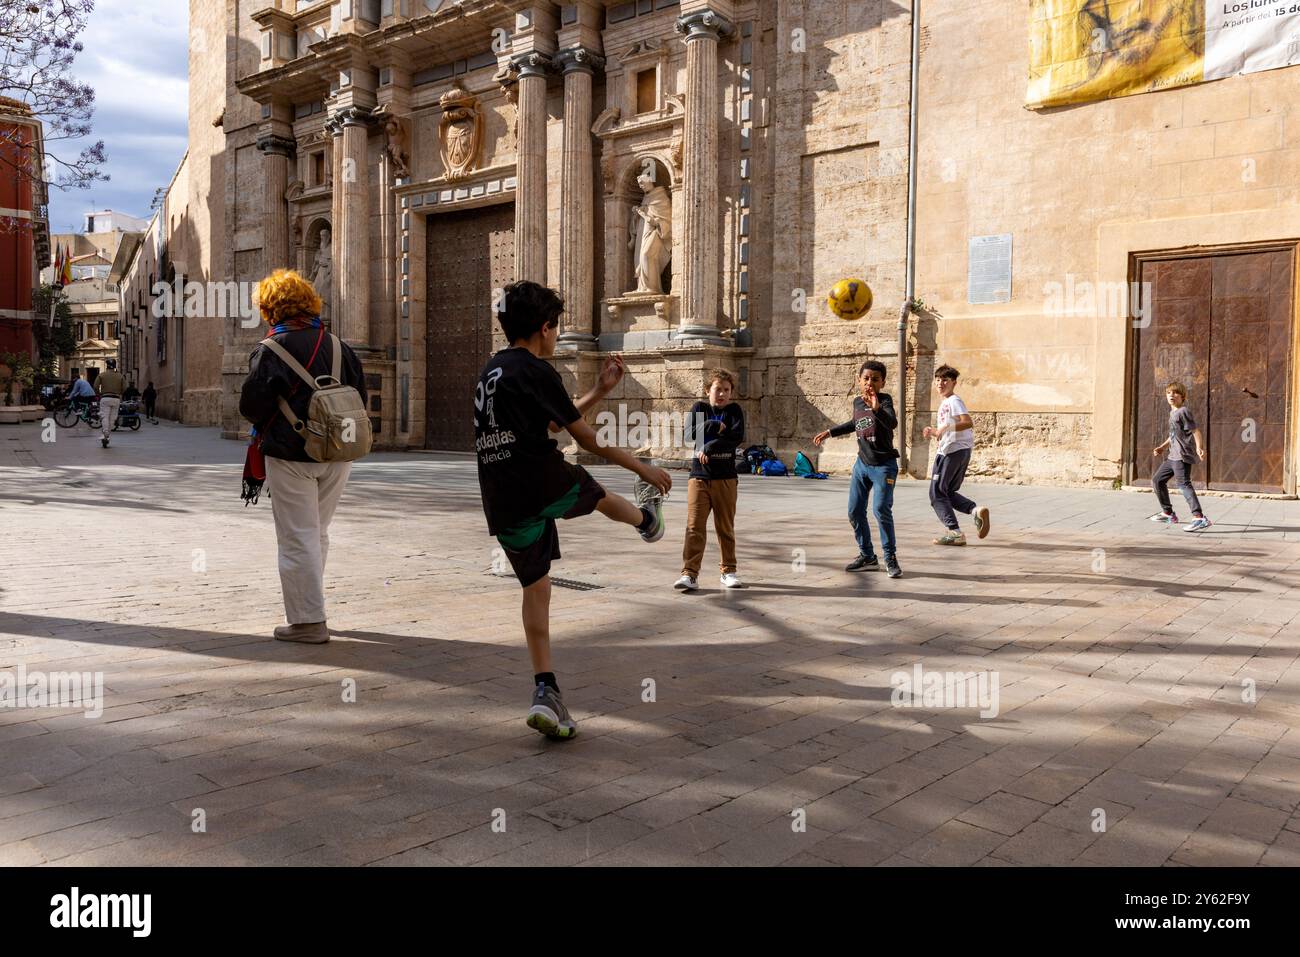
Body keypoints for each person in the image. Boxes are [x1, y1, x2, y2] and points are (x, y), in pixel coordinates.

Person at [475, 281, 672, 740]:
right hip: (540, 477)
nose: (557, 336)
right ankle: (648, 521)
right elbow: (585, 439)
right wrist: (643, 468)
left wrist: (600, 390)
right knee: (597, 494)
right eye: (557, 328)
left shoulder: (491, 372)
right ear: (544, 328)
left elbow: (551, 421)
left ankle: (546, 690)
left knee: (536, 589)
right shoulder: (539, 370)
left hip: (502, 498)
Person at [239, 269, 367, 644]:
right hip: (339, 452)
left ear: (268, 308)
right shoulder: (341, 346)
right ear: (310, 302)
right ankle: (313, 606)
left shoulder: (271, 350)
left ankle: (310, 621)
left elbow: (252, 406)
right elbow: (356, 394)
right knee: (317, 532)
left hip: (292, 453)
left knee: (297, 535)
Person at [813, 359, 903, 578]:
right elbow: (856, 424)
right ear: (859, 380)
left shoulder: (885, 401)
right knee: (854, 511)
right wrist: (830, 432)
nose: (869, 383)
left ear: (882, 382)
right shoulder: (857, 403)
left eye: (875, 379)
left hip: (884, 466)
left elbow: (891, 423)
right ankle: (867, 556)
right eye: (866, 378)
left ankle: (890, 558)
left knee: (880, 510)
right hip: (862, 465)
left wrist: (877, 407)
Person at [676, 369, 745, 591]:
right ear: (708, 390)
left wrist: (709, 445)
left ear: (731, 393)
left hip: (725, 478)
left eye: (727, 390)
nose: (722, 394)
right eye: (718, 389)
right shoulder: (700, 408)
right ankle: (689, 573)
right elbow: (688, 435)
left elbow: (735, 437)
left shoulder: (734, 411)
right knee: (694, 527)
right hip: (699, 477)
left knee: (725, 527)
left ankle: (729, 571)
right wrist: (715, 426)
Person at [922, 364, 990, 545]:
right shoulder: (946, 403)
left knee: (936, 493)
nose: (940, 383)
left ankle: (954, 532)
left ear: (954, 383)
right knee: (947, 491)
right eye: (937, 379)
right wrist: (934, 431)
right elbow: (948, 429)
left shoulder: (953, 401)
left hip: (952, 451)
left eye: (945, 380)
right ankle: (976, 511)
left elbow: (967, 422)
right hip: (957, 450)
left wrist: (946, 427)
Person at [1149, 381, 1211, 532]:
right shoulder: (1173, 413)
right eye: (1169, 393)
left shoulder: (1183, 411)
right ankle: (1168, 513)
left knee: (1183, 485)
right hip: (1172, 456)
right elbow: (1173, 435)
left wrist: (1199, 447)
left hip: (1182, 456)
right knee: (1158, 480)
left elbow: (1195, 431)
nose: (1172, 395)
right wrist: (1163, 447)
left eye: (1175, 393)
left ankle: (1199, 518)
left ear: (1182, 397)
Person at [95, 359, 126, 449]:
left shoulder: (101, 375)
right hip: (116, 399)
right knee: (112, 418)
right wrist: (120, 393)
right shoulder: (120, 376)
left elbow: (95, 386)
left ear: (107, 366)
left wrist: (99, 393)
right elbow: (125, 387)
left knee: (105, 416)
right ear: (115, 366)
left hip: (105, 397)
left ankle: (105, 433)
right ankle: (107, 436)